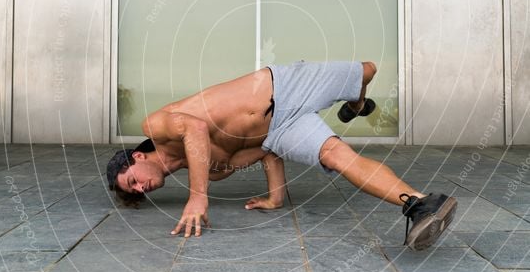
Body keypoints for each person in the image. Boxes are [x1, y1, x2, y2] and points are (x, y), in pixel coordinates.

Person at [106, 60, 457, 249]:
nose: (140, 188)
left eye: (132, 181)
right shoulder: (210, 171)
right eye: (134, 191)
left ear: (137, 158)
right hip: (281, 130)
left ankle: (358, 101)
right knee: (336, 156)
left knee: (367, 70)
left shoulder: (156, 125)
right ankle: (420, 203)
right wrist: (276, 198)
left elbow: (195, 129)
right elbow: (265, 153)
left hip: (284, 86)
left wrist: (198, 198)